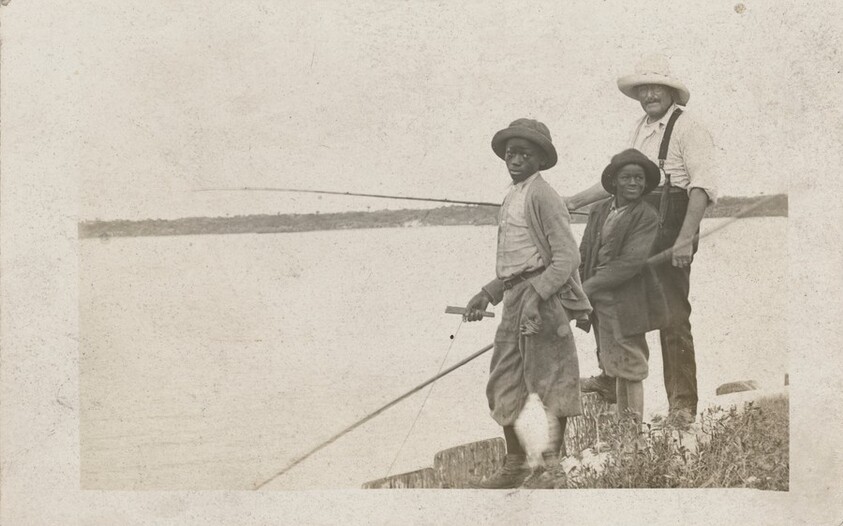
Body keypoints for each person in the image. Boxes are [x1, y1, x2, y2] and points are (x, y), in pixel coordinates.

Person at [566, 55, 718, 428]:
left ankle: (681, 408)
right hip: (637, 227)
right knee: (608, 299)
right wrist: (572, 202)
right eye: (643, 88)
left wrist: (685, 241)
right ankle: (610, 375)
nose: (649, 94)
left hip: (672, 230)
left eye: (656, 87)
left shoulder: (689, 127)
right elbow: (618, 182)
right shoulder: (640, 127)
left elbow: (702, 188)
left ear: (671, 91)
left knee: (672, 318)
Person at [462, 118, 591, 489]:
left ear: (540, 159)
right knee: (504, 380)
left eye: (524, 153)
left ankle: (553, 470)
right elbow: (516, 262)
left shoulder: (542, 196)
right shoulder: (512, 195)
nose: (515, 159)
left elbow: (567, 258)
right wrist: (488, 293)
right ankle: (515, 464)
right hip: (515, 298)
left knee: (552, 381)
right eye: (510, 153)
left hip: (544, 299)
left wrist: (537, 297)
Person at [579, 149, 666, 426]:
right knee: (613, 363)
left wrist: (588, 287)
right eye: (627, 177)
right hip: (597, 300)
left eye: (639, 179)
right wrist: (578, 289)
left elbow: (630, 263)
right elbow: (585, 250)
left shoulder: (647, 216)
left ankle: (633, 435)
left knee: (632, 364)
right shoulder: (599, 210)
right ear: (614, 181)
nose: (633, 183)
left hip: (628, 299)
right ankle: (623, 431)